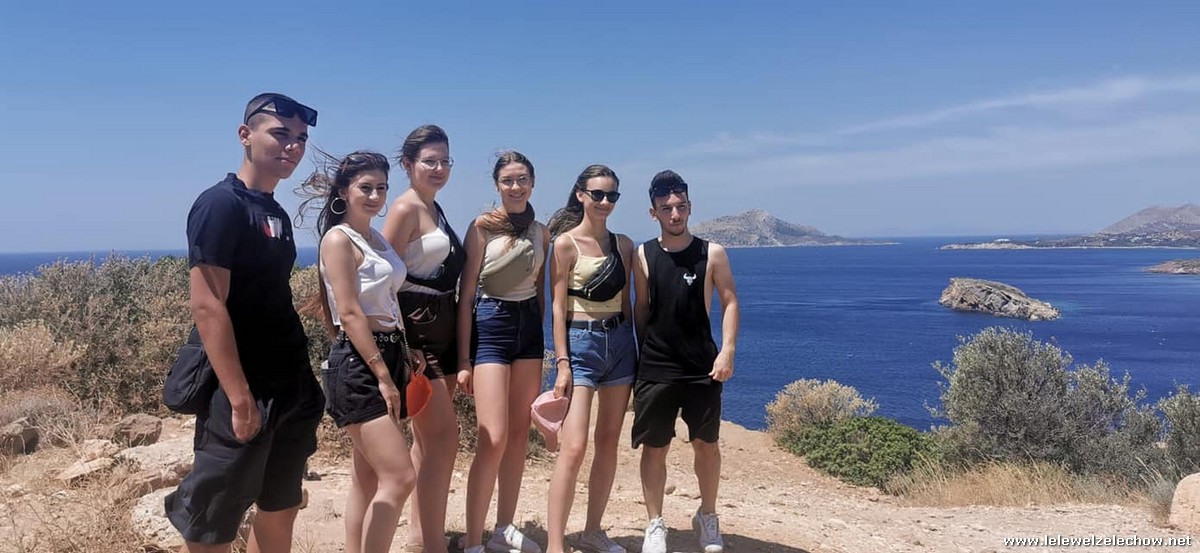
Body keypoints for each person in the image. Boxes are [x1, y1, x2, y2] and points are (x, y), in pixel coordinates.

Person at [165, 92, 325, 553]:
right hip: (241, 385)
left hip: (289, 383)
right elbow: (208, 305)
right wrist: (239, 399)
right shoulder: (220, 204)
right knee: (213, 518)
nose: (292, 146)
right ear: (245, 135)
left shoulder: (274, 211)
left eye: (300, 138)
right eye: (280, 134)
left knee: (280, 505)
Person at [301, 150, 423, 553]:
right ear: (343, 191)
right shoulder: (339, 239)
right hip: (359, 364)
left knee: (367, 478)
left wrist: (405, 350)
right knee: (400, 478)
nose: (374, 196)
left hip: (387, 353)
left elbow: (387, 300)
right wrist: (383, 377)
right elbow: (350, 313)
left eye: (381, 188)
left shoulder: (377, 239)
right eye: (365, 187)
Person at [631, 170, 740, 553]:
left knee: (706, 444)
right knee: (654, 447)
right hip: (656, 366)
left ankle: (708, 516)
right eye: (666, 208)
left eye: (680, 207)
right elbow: (641, 310)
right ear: (653, 213)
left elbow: (730, 301)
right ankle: (655, 524)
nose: (674, 214)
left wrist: (727, 350)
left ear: (690, 207)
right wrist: (642, 358)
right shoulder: (642, 255)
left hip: (701, 367)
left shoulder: (713, 253)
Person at [456, 151, 550, 553]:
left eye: (522, 179)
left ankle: (503, 529)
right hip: (491, 324)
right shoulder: (482, 228)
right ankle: (472, 540)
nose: (516, 186)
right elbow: (466, 294)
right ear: (497, 185)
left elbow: (540, 288)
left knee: (517, 434)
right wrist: (464, 359)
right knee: (492, 437)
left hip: (528, 329)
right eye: (508, 180)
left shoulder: (542, 232)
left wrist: (540, 336)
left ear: (533, 183)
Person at [380, 125, 465, 553]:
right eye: (430, 161)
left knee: (428, 441)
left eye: (445, 161)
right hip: (417, 334)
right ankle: (433, 544)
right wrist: (402, 341)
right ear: (408, 164)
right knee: (444, 439)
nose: (439, 168)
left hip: (443, 327)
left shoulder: (435, 207)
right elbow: (383, 277)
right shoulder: (405, 208)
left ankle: (421, 536)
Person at [544, 165, 636, 553]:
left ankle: (593, 530)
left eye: (611, 196)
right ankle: (555, 543)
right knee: (574, 446)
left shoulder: (625, 245)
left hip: (620, 345)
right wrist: (562, 363)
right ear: (581, 194)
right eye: (597, 194)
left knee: (609, 441)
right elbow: (557, 307)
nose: (604, 202)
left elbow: (628, 303)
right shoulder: (565, 245)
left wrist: (637, 351)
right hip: (581, 345)